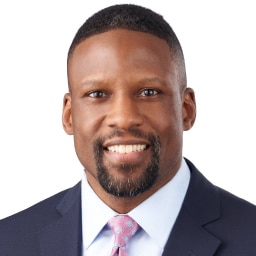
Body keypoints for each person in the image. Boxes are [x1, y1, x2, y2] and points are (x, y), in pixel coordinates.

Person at [0, 4, 256, 256]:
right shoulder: (8, 241)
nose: (123, 118)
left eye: (149, 92)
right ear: (69, 115)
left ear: (186, 109)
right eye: (97, 94)